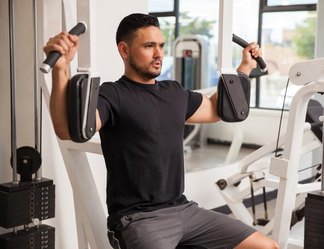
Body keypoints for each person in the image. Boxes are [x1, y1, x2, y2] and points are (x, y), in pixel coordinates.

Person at [44, 13, 280, 249]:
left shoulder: (174, 92)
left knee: (268, 246)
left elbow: (216, 109)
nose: (159, 54)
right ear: (124, 51)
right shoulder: (112, 95)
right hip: (139, 219)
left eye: (161, 46)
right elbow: (66, 129)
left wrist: (244, 68)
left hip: (185, 210)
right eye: (149, 46)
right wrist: (61, 69)